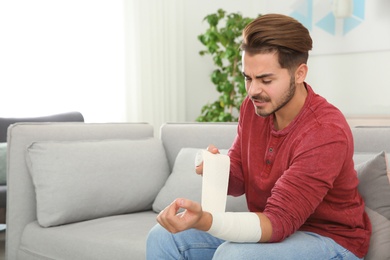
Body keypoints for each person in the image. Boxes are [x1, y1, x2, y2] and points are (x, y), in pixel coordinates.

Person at [146, 13, 371, 260]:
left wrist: (205, 221)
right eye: (248, 78)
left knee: (235, 255)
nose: (253, 91)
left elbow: (278, 222)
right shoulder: (253, 108)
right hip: (276, 229)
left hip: (330, 240)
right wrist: (215, 167)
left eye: (266, 80)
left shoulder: (326, 132)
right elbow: (239, 179)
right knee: (163, 236)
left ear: (299, 73)